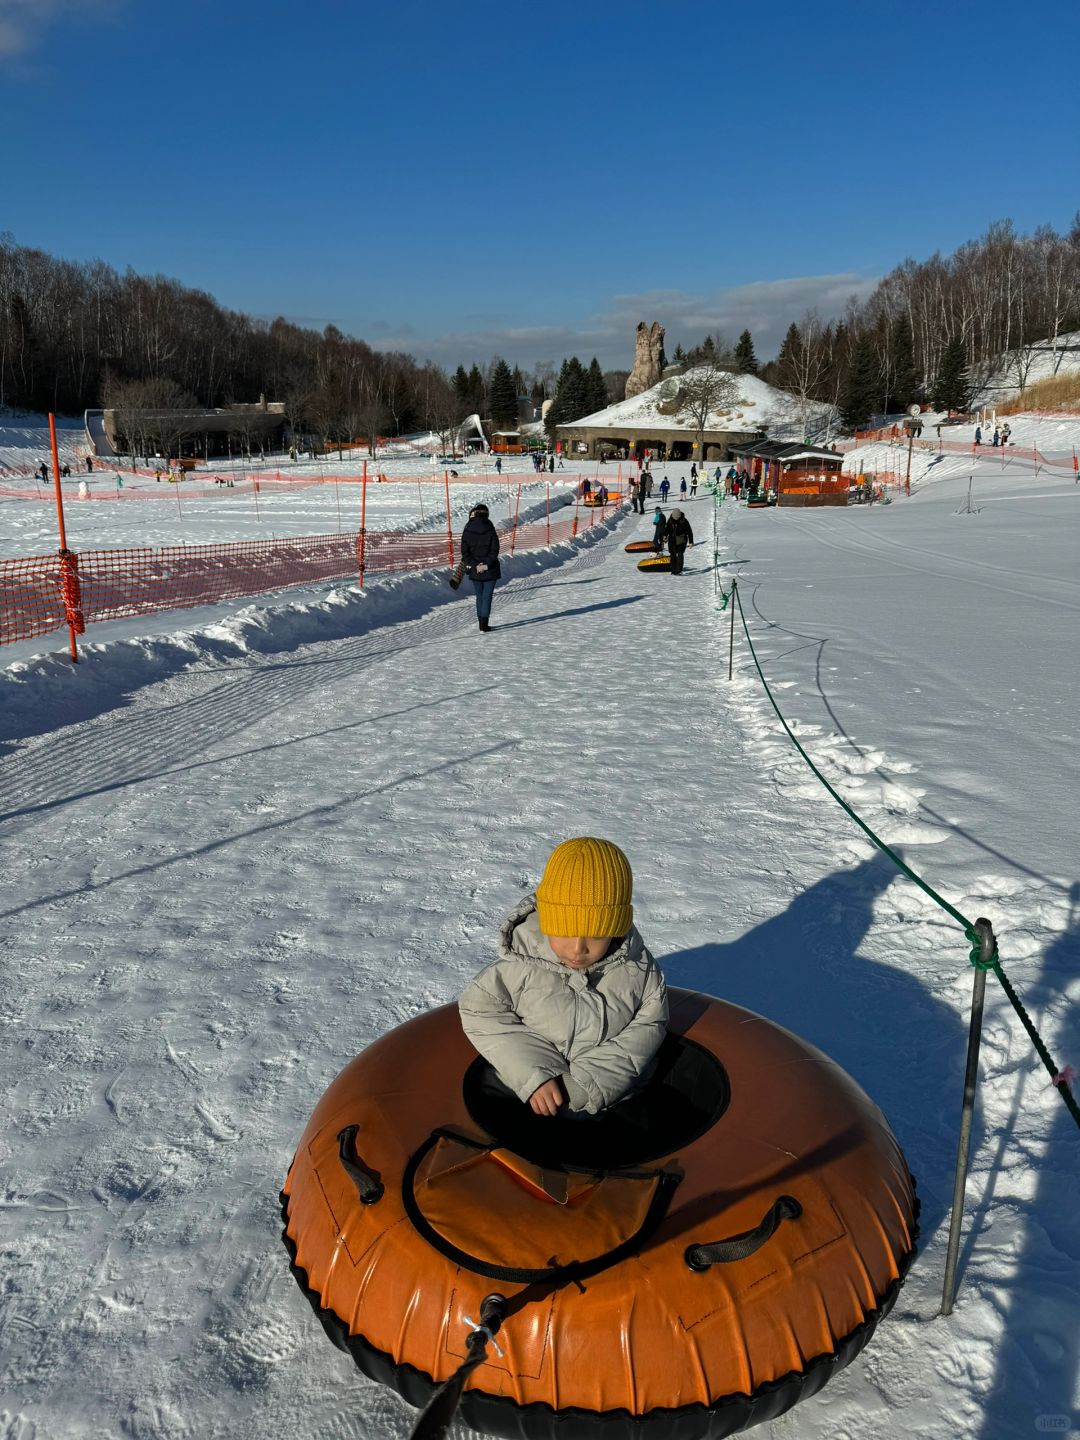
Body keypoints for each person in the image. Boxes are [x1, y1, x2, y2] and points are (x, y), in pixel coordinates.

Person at [458, 837, 668, 1121]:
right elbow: (481, 1011)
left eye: (596, 934)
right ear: (546, 922)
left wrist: (589, 1082)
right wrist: (536, 1073)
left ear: (616, 928)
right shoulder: (520, 966)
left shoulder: (639, 972)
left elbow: (648, 1027)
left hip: (612, 1097)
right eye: (564, 931)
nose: (578, 949)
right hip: (527, 1098)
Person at [460, 502, 500, 633]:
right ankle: (484, 623)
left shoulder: (467, 528)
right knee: (487, 596)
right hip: (491, 568)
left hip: (474, 569)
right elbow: (495, 550)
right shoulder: (490, 527)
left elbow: (465, 552)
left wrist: (475, 565)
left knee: (479, 596)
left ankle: (480, 622)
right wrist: (486, 564)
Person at [665, 509, 694, 575]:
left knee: (680, 554)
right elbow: (667, 529)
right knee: (672, 554)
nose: (675, 519)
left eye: (677, 518)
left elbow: (689, 532)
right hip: (672, 540)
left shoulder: (684, 521)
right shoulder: (670, 520)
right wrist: (665, 535)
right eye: (674, 518)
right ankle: (673, 569)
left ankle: (679, 570)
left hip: (681, 540)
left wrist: (691, 542)